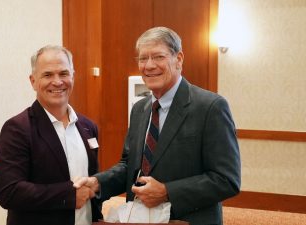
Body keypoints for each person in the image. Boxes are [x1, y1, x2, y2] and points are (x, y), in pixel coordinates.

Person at [84, 27, 241, 225]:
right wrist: (98, 183)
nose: (149, 65)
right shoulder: (140, 109)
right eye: (143, 58)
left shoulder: (210, 107)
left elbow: (226, 180)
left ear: (179, 59)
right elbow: (129, 165)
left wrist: (167, 192)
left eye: (158, 56)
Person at [0, 45, 102, 225]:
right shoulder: (17, 129)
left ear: (73, 77)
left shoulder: (88, 127)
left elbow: (91, 178)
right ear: (33, 81)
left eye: (63, 73)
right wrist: (69, 195)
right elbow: (9, 192)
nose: (57, 81)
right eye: (48, 75)